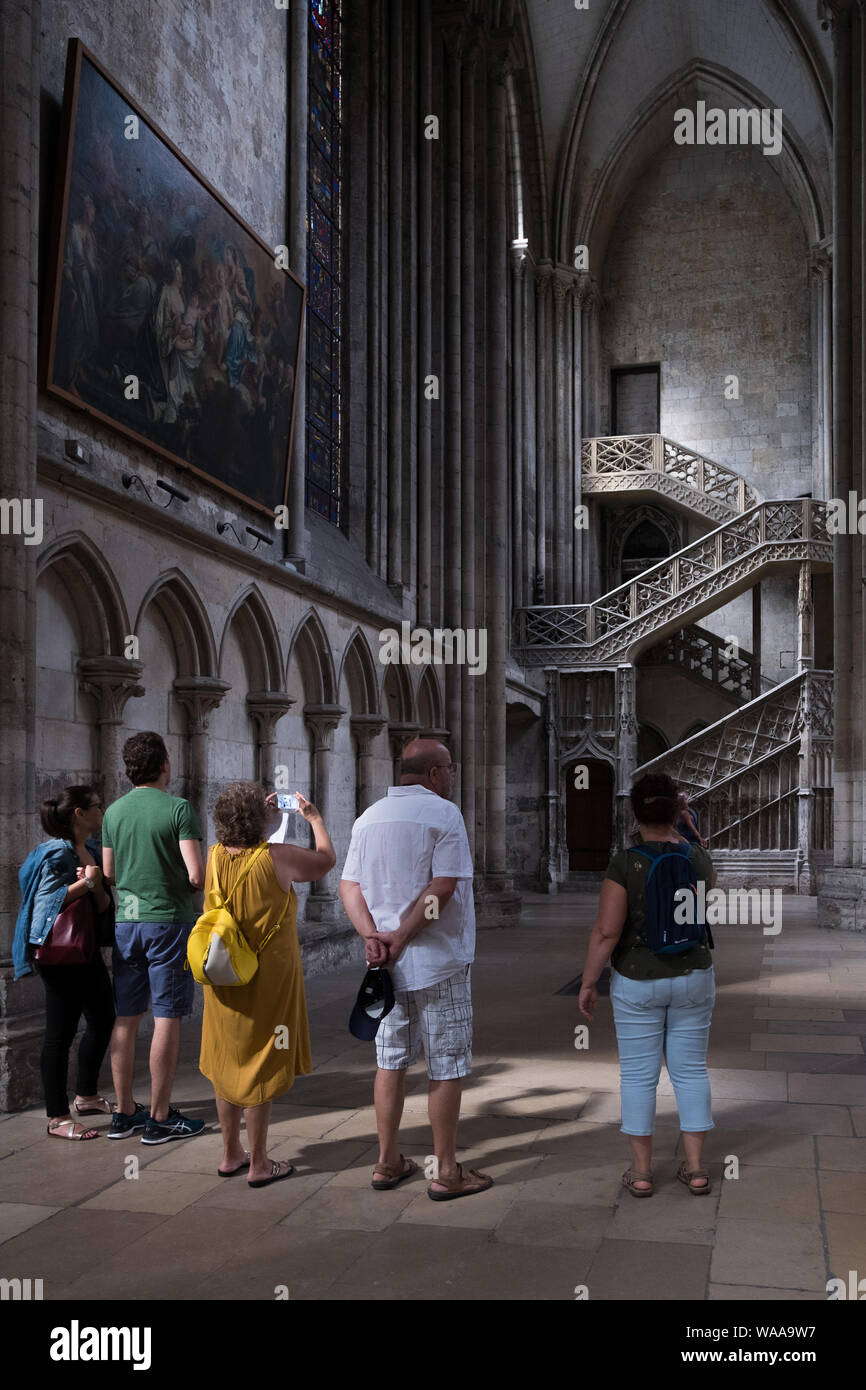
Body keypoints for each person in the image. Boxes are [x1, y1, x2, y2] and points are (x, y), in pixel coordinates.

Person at [339, 738, 493, 1201]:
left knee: (391, 1062)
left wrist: (373, 937)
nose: (451, 777)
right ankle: (446, 1171)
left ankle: (388, 1161)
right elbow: (442, 887)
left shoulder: (369, 818)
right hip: (438, 962)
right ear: (433, 773)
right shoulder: (444, 814)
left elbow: (349, 885)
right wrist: (402, 937)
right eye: (449, 768)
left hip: (385, 969)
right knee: (445, 1066)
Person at [578, 772, 717, 1198]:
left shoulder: (625, 861)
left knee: (639, 1077)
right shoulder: (698, 858)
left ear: (634, 812)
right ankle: (695, 1169)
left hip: (639, 979)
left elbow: (606, 932)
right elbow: (703, 903)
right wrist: (687, 826)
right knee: (690, 1071)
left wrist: (588, 982)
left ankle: (641, 1172)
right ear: (676, 810)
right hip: (694, 974)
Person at [199, 783, 334, 1187]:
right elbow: (326, 861)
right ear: (257, 818)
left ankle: (230, 1154)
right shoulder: (279, 857)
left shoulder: (214, 857)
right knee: (260, 1061)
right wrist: (312, 818)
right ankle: (258, 1163)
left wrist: (268, 818)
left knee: (227, 1059)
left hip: (222, 974)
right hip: (267, 979)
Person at [100, 731, 206, 1144]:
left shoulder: (113, 812)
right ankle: (159, 1117)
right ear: (164, 764)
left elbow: (109, 873)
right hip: (169, 922)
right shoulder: (179, 809)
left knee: (126, 1018)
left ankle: (124, 1111)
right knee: (166, 1016)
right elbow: (196, 875)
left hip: (126, 924)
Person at [13, 787, 116, 1139]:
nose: (102, 810)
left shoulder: (90, 847)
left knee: (104, 1018)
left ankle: (86, 1096)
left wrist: (95, 885)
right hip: (58, 955)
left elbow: (102, 905)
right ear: (79, 814)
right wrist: (84, 885)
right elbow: (45, 907)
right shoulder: (56, 853)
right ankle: (57, 1117)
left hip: (83, 949)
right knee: (59, 1035)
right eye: (97, 806)